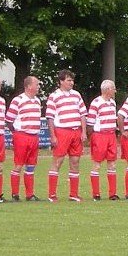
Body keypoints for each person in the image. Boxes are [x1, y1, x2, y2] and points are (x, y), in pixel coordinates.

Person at [46, 69, 88, 202]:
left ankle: (73, 194)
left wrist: (84, 131)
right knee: (58, 161)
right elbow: (50, 118)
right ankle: (52, 194)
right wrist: (53, 136)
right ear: (61, 81)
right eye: (69, 80)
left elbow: (82, 114)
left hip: (76, 132)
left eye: (72, 80)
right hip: (62, 131)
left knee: (75, 162)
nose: (71, 82)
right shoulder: (54, 96)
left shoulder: (76, 95)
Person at [6, 75, 42, 201]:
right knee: (19, 165)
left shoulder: (37, 101)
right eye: (36, 84)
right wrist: (17, 132)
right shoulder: (18, 100)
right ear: (29, 86)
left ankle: (29, 194)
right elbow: (9, 119)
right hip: (22, 135)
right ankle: (15, 194)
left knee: (31, 166)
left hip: (34, 136)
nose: (38, 87)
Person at [86, 80, 119, 201]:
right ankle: (96, 193)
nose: (115, 91)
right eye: (113, 89)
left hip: (111, 135)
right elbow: (90, 123)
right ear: (107, 89)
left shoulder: (112, 103)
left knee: (112, 164)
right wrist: (92, 138)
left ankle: (112, 193)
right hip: (100, 135)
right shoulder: (96, 102)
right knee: (97, 164)